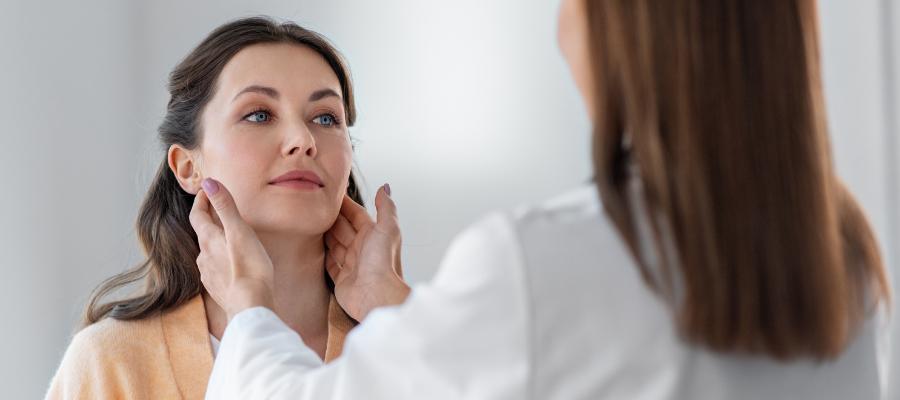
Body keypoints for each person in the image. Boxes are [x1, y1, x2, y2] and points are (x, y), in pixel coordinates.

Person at [198, 1, 893, 399]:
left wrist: (251, 312)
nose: (563, 31)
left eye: (326, 117)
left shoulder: (543, 263)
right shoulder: (841, 248)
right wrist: (390, 305)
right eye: (258, 114)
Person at [45, 16, 367, 399]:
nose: (303, 139)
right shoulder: (111, 361)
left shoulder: (400, 350)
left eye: (326, 118)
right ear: (187, 167)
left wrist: (398, 316)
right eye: (259, 114)